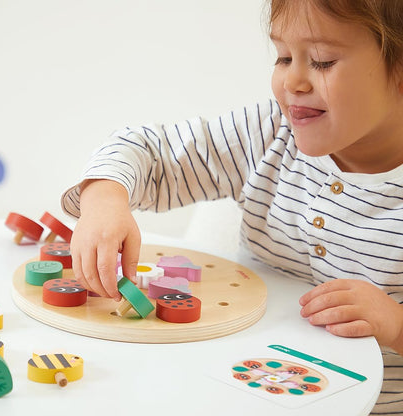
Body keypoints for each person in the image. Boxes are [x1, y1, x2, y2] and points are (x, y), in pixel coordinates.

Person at [61, 0, 403, 413]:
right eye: (283, 56)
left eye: (322, 61)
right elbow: (145, 150)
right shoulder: (268, 134)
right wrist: (104, 199)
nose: (292, 80)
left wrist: (396, 325)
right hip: (230, 388)